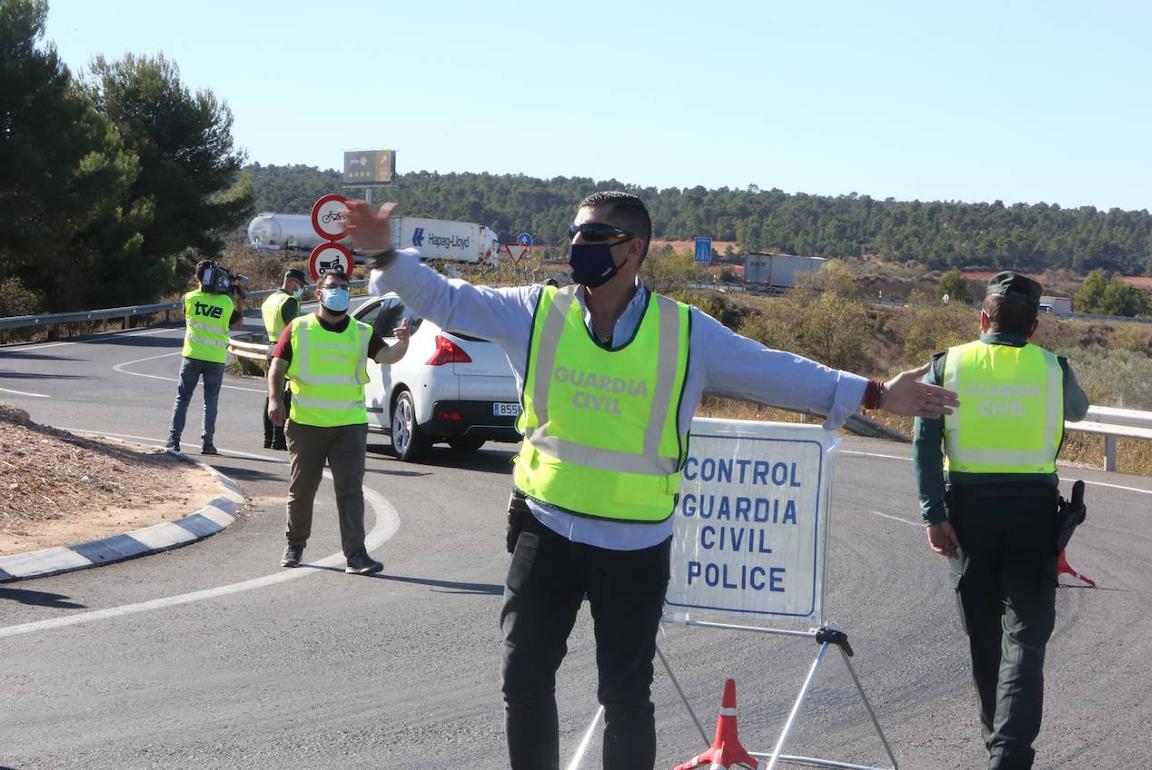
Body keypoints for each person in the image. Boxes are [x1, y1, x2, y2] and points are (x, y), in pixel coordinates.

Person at [345, 190, 959, 770]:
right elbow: (443, 298)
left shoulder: (686, 332)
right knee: (524, 681)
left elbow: (779, 372)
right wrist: (383, 255)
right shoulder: (536, 310)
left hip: (635, 547)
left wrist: (876, 393)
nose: (576, 245)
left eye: (593, 235)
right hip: (545, 529)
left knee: (626, 697)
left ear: (633, 249)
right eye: (574, 233)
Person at [913, 271, 1090, 770]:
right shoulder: (1052, 368)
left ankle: (1001, 748)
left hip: (967, 514)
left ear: (982, 319)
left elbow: (925, 444)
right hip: (1033, 515)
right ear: (1035, 326)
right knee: (1027, 636)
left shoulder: (948, 365)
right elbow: (1078, 409)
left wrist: (934, 514)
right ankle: (1008, 754)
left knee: (985, 635)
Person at [266, 268, 411, 575]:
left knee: (350, 490)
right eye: (334, 287)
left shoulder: (361, 331)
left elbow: (386, 356)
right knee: (302, 490)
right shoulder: (299, 328)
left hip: (349, 425)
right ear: (318, 293)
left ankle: (356, 555)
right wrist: (275, 400)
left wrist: (403, 345)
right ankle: (295, 546)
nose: (340, 293)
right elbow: (277, 367)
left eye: (345, 288)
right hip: (306, 424)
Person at [166, 260, 244, 454]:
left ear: (196, 278)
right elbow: (237, 324)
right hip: (216, 358)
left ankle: (173, 440)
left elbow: (187, 313)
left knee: (182, 399)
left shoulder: (189, 298)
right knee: (210, 403)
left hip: (191, 355)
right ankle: (207, 443)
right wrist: (236, 297)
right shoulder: (226, 302)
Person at [260, 268, 309, 450]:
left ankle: (268, 439)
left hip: (271, 347)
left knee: (271, 394)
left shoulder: (270, 299)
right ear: (291, 281)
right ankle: (278, 440)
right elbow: (294, 328)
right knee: (284, 396)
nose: (300, 289)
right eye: (300, 285)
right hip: (286, 350)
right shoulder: (289, 302)